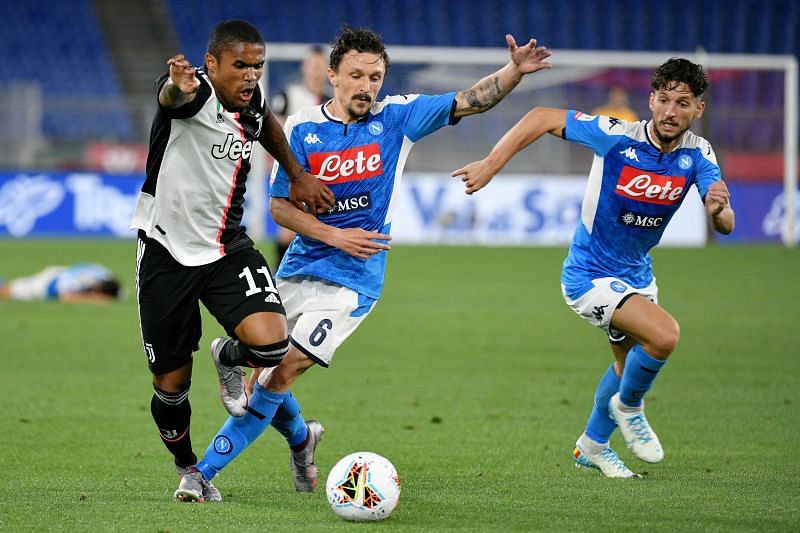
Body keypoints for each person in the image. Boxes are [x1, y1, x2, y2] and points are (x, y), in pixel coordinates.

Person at [178, 24, 552, 501]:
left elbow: (470, 99)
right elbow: (279, 208)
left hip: (354, 282)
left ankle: (202, 474)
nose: (366, 86)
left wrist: (514, 71)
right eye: (356, 75)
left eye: (375, 77)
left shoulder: (398, 118)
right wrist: (335, 234)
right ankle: (302, 438)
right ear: (333, 75)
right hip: (300, 267)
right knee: (261, 380)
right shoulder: (303, 127)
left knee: (283, 371)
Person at [452, 58, 734, 477]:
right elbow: (541, 117)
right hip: (589, 275)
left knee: (626, 367)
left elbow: (725, 223)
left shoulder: (699, 153)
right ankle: (630, 408)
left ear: (698, 110)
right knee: (665, 336)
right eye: (662, 100)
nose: (670, 111)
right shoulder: (617, 137)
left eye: (682, 102)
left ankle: (593, 446)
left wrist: (718, 210)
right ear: (650, 100)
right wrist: (492, 164)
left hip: (637, 274)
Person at [130, 19, 335, 503]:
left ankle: (227, 354)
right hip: (166, 253)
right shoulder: (191, 94)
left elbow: (270, 129)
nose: (250, 75)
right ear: (211, 65)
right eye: (240, 65)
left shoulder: (253, 102)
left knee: (272, 345)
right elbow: (171, 98)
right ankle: (188, 469)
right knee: (170, 385)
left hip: (226, 248)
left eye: (257, 66)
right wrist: (177, 88)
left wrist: (297, 175)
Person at [270, 45, 333, 265]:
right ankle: (279, 278)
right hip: (293, 172)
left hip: (323, 173)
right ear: (304, 67)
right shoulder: (289, 96)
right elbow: (275, 133)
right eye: (312, 64)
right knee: (288, 230)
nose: (316, 70)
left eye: (320, 65)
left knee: (315, 230)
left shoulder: (331, 102)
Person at [0, 263, 122, 303]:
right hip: (47, 283)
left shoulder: (106, 275)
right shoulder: (79, 282)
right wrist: (96, 300)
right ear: (98, 289)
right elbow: (67, 297)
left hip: (60, 271)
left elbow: (121, 293)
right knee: (7, 291)